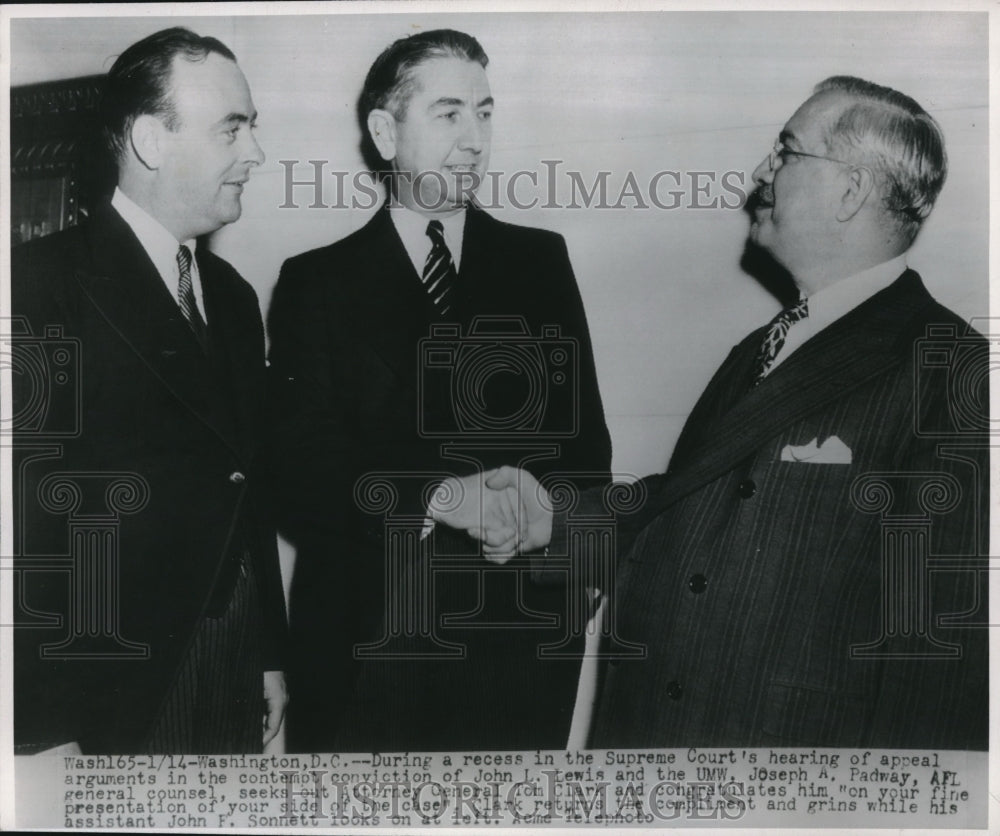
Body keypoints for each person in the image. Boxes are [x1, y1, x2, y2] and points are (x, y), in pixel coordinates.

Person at [449, 76, 988, 749]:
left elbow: (943, 647)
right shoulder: (761, 347)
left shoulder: (947, 363)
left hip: (786, 782)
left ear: (850, 191)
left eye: (788, 152)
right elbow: (686, 508)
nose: (762, 171)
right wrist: (551, 520)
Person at [266, 29, 611, 751]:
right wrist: (443, 495)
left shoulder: (540, 260)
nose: (476, 138)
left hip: (515, 641)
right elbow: (301, 468)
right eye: (450, 113)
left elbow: (585, 453)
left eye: (486, 113)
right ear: (385, 132)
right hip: (367, 642)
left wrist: (554, 544)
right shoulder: (315, 281)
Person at [12, 27, 287, 754]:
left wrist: (267, 654)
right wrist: (40, 722)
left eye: (252, 129)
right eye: (233, 128)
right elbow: (25, 526)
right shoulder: (36, 284)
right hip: (109, 688)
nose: (255, 154)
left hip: (230, 662)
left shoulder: (231, 296)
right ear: (150, 140)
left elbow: (244, 483)